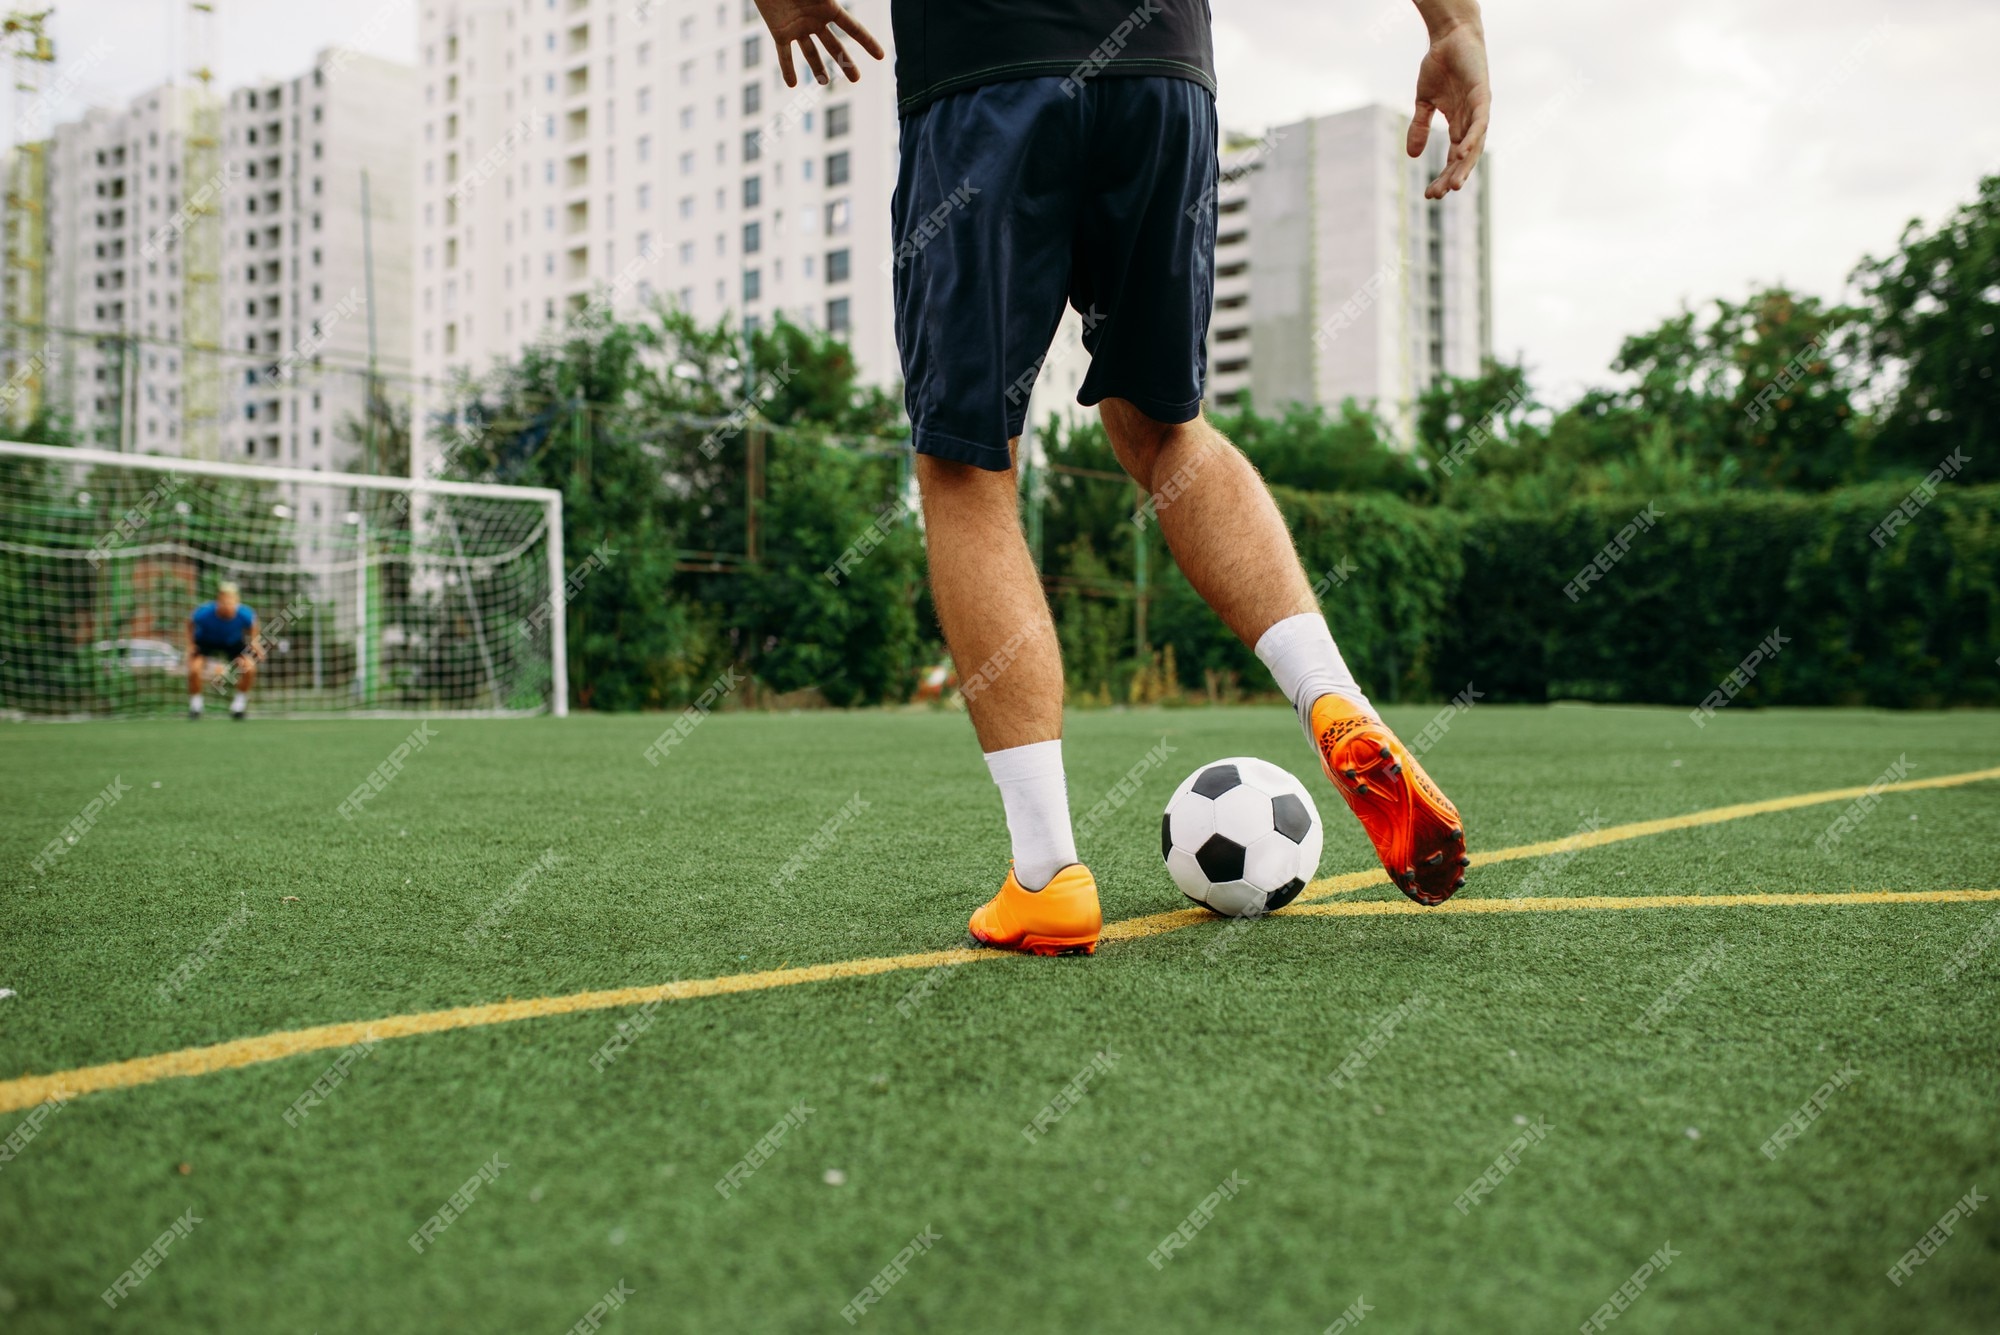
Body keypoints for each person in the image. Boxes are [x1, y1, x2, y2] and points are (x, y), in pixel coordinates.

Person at [752, 0, 1492, 954]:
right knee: (1166, 432)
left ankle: (1047, 873)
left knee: (967, 464)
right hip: (1163, 73)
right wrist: (1452, 25)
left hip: (985, 75)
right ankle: (1328, 692)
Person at [187, 581, 258, 721]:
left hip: (232, 643)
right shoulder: (205, 613)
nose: (227, 604)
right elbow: (190, 623)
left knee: (250, 668)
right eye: (224, 600)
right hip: (206, 641)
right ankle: (196, 706)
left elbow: (254, 625)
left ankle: (238, 706)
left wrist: (254, 643)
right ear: (218, 600)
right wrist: (190, 645)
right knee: (194, 669)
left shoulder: (244, 613)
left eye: (231, 600)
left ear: (236, 601)